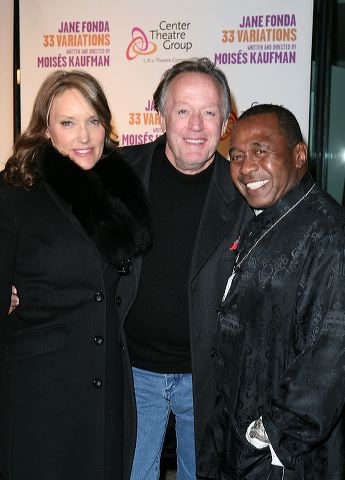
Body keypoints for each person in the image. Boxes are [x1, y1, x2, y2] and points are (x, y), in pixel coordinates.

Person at [0, 70, 151, 480]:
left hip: (105, 385)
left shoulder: (118, 193)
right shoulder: (15, 193)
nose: (83, 136)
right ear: (46, 130)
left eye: (93, 121)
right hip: (39, 393)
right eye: (68, 123)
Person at [115, 58, 251, 479]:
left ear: (225, 121)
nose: (196, 125)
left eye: (209, 112)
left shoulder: (246, 191)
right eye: (183, 110)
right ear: (161, 113)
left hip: (206, 378)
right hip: (133, 371)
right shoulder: (117, 173)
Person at [197, 104, 345, 479]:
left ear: (298, 155)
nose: (246, 167)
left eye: (261, 151)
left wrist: (272, 435)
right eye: (236, 155)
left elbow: (331, 353)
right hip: (242, 437)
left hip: (283, 458)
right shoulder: (269, 217)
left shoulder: (328, 235)